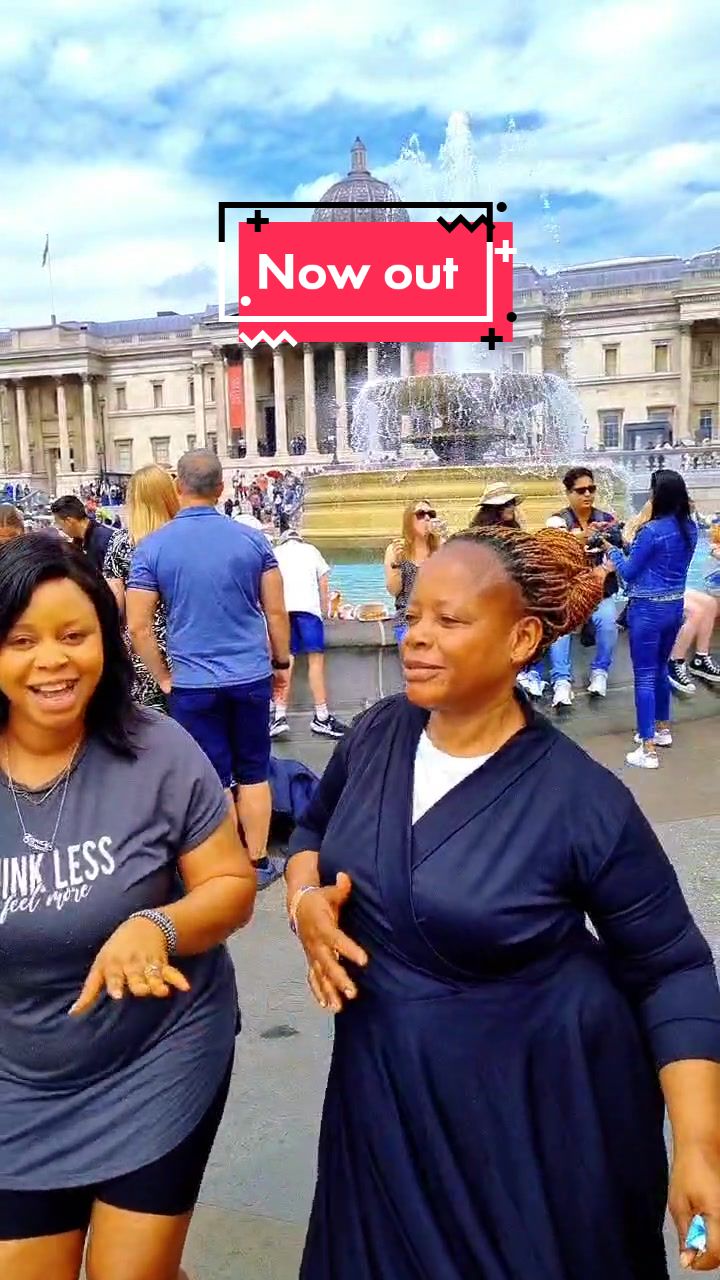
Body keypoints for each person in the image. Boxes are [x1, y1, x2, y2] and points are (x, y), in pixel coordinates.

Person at [285, 523, 720, 1280]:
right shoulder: (379, 732)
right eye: (414, 616)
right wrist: (303, 902)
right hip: (378, 1103)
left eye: (449, 621)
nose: (416, 637)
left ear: (522, 639)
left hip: (525, 1124)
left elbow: (672, 968)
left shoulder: (580, 799)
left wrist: (699, 1148)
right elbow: (312, 831)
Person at [0, 534, 256, 1280]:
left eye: (74, 636)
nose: (53, 661)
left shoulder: (158, 749)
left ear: (105, 642)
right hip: (18, 1077)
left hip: (157, 1056)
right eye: (22, 641)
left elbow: (232, 884)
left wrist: (158, 924)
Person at [126, 449, 291, 890]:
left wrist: (163, 677)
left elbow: (138, 625)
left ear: (179, 487)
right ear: (221, 489)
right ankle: (258, 861)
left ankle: (224, 864)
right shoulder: (253, 541)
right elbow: (276, 611)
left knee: (212, 777)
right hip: (250, 674)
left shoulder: (152, 548)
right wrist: (281, 661)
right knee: (254, 771)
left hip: (192, 682)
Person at [607, 469, 697, 769]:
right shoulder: (689, 528)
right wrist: (628, 548)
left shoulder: (651, 531)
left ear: (658, 495)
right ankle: (662, 730)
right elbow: (657, 561)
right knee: (660, 669)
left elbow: (629, 572)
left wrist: (613, 553)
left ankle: (647, 749)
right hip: (674, 608)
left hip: (647, 611)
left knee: (644, 675)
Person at [524, 467, 620, 705]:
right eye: (581, 490)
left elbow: (618, 553)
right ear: (568, 493)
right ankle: (561, 681)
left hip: (599, 591)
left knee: (608, 622)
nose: (587, 494)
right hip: (568, 593)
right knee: (561, 627)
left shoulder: (606, 520)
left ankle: (600, 671)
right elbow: (550, 551)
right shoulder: (558, 521)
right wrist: (580, 537)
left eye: (591, 489)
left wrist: (609, 551)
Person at [103, 465, 179, 710]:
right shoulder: (183, 539)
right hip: (185, 645)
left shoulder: (120, 543)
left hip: (141, 651)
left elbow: (114, 604)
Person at [271, 526, 348, 741]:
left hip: (284, 612)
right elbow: (323, 583)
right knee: (315, 663)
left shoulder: (275, 553)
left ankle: (278, 716)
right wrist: (325, 611)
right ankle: (321, 716)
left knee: (285, 662)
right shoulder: (311, 551)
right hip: (309, 611)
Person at [384, 500, 442, 644]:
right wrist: (397, 564)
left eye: (431, 514)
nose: (427, 518)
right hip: (408, 618)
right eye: (421, 514)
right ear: (409, 520)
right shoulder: (396, 550)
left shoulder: (440, 548)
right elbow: (394, 591)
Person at [50, 495, 114, 572]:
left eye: (60, 525)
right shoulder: (78, 543)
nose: (60, 529)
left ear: (69, 521)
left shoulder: (105, 540)